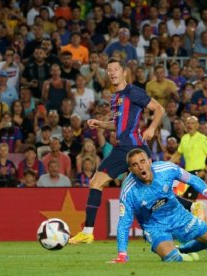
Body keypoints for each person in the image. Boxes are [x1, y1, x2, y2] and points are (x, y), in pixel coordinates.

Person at [69, 57, 165, 244]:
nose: (112, 72)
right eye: (109, 70)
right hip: (122, 149)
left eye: (115, 69)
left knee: (156, 190)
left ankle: (190, 211)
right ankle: (87, 232)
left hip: (136, 147)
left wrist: (152, 128)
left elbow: (159, 109)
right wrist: (101, 124)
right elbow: (119, 125)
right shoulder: (115, 98)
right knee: (96, 182)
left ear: (124, 72)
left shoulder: (133, 92)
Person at [109, 148, 207, 263]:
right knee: (172, 258)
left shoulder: (166, 169)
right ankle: (173, 253)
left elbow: (192, 179)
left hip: (178, 215)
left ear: (150, 161)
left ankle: (181, 249)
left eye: (142, 161)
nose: (140, 167)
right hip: (154, 226)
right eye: (135, 165)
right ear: (130, 170)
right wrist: (122, 254)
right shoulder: (128, 191)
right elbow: (124, 223)